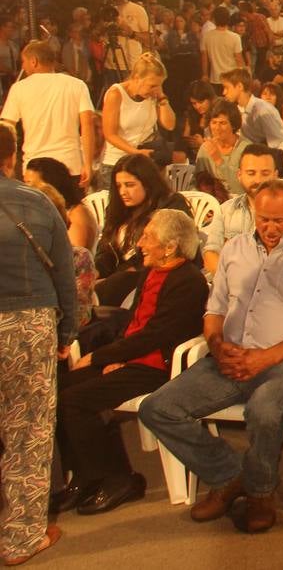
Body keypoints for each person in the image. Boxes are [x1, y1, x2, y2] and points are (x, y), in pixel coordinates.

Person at [138, 179, 283, 533]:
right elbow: (215, 307)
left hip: (282, 361)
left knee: (264, 413)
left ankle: (261, 492)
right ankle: (230, 474)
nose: (270, 228)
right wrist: (217, 345)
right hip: (228, 355)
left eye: (279, 220)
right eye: (263, 219)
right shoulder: (235, 249)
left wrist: (267, 358)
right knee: (157, 409)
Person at [51, 210, 208, 517]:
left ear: (170, 247)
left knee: (75, 400)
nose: (141, 244)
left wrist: (103, 356)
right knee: (58, 390)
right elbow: (133, 324)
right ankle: (85, 475)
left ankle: (118, 478)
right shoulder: (152, 273)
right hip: (135, 359)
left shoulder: (188, 282)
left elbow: (156, 336)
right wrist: (117, 356)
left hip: (158, 368)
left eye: (148, 237)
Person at [0, 124, 76, 565]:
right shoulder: (36, 202)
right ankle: (21, 537)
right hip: (29, 323)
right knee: (27, 432)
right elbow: (65, 276)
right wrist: (66, 335)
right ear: (12, 157)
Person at [93, 154, 192, 307]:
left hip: (154, 273)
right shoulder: (118, 209)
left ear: (147, 183)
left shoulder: (170, 203)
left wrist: (113, 278)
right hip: (120, 276)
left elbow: (164, 249)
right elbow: (106, 250)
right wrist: (96, 272)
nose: (123, 192)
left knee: (112, 285)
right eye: (119, 186)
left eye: (129, 185)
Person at [1, 40, 96, 187]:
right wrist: (88, 164)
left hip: (34, 167)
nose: (23, 67)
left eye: (23, 62)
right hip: (70, 164)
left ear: (34, 61)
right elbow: (87, 124)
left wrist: (9, 165)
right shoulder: (77, 85)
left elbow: (7, 128)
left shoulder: (19, 88)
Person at [201, 144, 282, 275]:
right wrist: (232, 282)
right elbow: (210, 254)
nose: (258, 180)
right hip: (229, 286)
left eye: (265, 173)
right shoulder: (225, 210)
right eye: (251, 173)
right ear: (239, 175)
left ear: (275, 175)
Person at [99, 54, 176, 185]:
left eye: (159, 85)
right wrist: (136, 152)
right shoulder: (116, 94)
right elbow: (110, 134)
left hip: (142, 164)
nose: (155, 89)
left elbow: (169, 125)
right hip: (117, 164)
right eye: (152, 85)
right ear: (136, 78)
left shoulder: (153, 96)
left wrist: (162, 97)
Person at [23, 157, 96, 251]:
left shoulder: (77, 214)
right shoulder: (38, 211)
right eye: (24, 183)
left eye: (30, 184)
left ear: (50, 185)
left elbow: (75, 256)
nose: (25, 189)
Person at [195, 98, 248, 198]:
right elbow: (196, 181)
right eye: (214, 122)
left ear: (233, 125)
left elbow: (240, 188)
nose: (217, 128)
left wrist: (219, 160)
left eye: (223, 123)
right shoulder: (206, 147)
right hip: (212, 203)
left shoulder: (246, 149)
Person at [221, 68, 283, 149]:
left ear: (239, 86)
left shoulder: (263, 110)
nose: (224, 92)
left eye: (227, 87)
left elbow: (279, 144)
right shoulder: (236, 110)